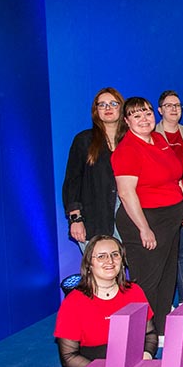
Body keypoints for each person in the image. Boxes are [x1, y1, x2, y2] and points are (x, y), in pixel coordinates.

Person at [55, 235, 157, 367]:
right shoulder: (74, 301)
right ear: (89, 264)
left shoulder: (134, 292)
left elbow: (150, 334)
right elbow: (68, 357)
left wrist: (145, 357)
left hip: (130, 364)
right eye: (101, 256)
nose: (109, 261)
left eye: (114, 255)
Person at [111, 97, 183, 334]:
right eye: (136, 115)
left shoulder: (159, 139)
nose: (144, 119)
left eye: (147, 113)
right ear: (126, 121)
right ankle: (143, 335)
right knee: (148, 281)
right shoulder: (127, 150)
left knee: (166, 277)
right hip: (146, 220)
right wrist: (144, 228)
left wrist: (182, 204)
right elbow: (126, 193)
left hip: (169, 219)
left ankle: (161, 329)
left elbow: (175, 176)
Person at [62, 88, 125, 249]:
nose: (108, 108)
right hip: (94, 220)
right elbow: (72, 181)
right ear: (96, 111)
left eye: (113, 103)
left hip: (128, 220)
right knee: (98, 263)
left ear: (121, 107)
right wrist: (75, 219)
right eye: (102, 105)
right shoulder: (84, 140)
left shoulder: (132, 141)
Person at [155, 90, 183, 304]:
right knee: (165, 253)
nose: (174, 109)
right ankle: (165, 301)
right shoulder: (151, 135)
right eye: (169, 105)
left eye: (177, 105)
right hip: (163, 204)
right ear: (160, 110)